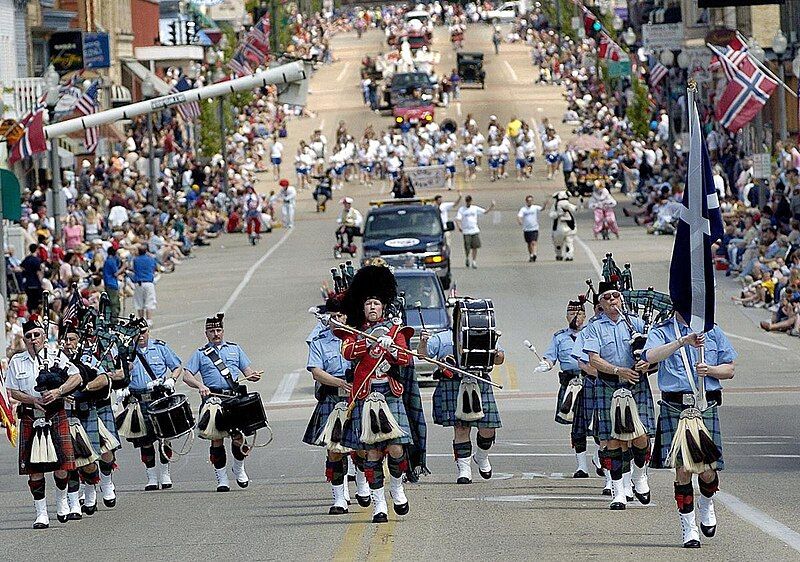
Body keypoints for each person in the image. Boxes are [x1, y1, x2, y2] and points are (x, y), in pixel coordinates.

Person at [642, 314, 736, 548]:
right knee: (683, 470)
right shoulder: (662, 330)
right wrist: (682, 341)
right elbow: (650, 356)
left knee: (706, 471)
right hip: (675, 405)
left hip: (704, 405)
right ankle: (689, 528)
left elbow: (730, 369)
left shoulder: (712, 330)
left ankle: (707, 503)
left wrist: (711, 370)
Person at [337, 265, 415, 523]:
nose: (372, 307)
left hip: (389, 394)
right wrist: (369, 343)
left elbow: (404, 359)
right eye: (368, 303)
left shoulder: (395, 331)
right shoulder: (354, 332)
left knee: (395, 448)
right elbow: (347, 353)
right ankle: (379, 502)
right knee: (371, 454)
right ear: (362, 307)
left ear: (383, 307)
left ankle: (397, 488)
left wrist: (391, 347)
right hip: (365, 395)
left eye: (376, 303)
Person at [582, 280, 655, 510]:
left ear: (621, 298)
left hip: (636, 383)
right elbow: (593, 359)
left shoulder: (637, 323)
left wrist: (646, 363)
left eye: (615, 296)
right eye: (607, 298)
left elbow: (652, 355)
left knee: (641, 436)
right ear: (600, 304)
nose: (612, 300)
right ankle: (618, 491)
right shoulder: (594, 327)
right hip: (609, 384)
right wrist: (617, 370)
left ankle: (639, 476)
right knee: (613, 440)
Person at [7, 318, 82, 528]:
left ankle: (61, 501)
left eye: (37, 335)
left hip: (55, 413)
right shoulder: (16, 361)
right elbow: (12, 391)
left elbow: (76, 377)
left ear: (43, 336)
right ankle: (41, 514)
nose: (33, 340)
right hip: (32, 416)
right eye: (29, 336)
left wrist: (59, 391)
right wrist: (33, 400)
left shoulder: (56, 356)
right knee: (34, 469)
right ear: (24, 339)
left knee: (62, 466)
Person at [303, 296, 369, 515]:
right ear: (327, 319)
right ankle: (339, 498)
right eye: (332, 317)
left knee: (361, 447)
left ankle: (362, 485)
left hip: (357, 397)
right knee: (334, 451)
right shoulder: (319, 342)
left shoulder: (360, 339)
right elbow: (316, 371)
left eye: (340, 315)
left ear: (347, 316)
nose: (337, 320)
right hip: (332, 398)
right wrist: (340, 382)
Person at [183, 313, 262, 491]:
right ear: (206, 333)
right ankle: (222, 478)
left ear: (223, 331)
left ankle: (239, 468)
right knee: (216, 439)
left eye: (218, 330)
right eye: (212, 331)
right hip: (213, 400)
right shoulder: (201, 353)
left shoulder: (235, 349)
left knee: (238, 438)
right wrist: (199, 385)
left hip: (234, 399)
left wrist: (253, 376)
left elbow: (247, 371)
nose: (215, 334)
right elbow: (187, 376)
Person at [419, 322, 504, 484]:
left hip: (479, 381)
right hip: (453, 383)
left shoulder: (485, 335)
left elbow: (499, 359)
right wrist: (423, 341)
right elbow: (423, 355)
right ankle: (464, 470)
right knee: (461, 427)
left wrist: (496, 352)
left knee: (488, 428)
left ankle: (481, 456)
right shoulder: (442, 337)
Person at [121, 325, 182, 491]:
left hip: (159, 397)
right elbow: (117, 372)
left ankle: (165, 473)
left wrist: (172, 380)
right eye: (136, 333)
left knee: (164, 437)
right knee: (145, 441)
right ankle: (152, 476)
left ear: (148, 332)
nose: (140, 336)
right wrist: (121, 386)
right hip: (137, 400)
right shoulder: (126, 352)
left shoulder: (160, 347)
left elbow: (176, 367)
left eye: (143, 332)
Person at [535, 299, 590, 477]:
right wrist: (546, 364)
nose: (576, 317)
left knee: (597, 424)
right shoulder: (559, 337)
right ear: (567, 316)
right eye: (572, 314)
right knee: (577, 425)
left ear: (585, 315)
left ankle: (601, 459)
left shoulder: (592, 333)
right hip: (570, 385)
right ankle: (582, 466)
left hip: (590, 381)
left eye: (579, 313)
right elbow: (551, 357)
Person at [455, 195, 496, 269]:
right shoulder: (462, 209)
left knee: (475, 246)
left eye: (469, 201)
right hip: (466, 231)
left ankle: (474, 261)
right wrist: (459, 227)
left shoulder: (474, 208)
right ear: (466, 201)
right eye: (467, 201)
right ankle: (467, 257)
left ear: (471, 201)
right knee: (467, 247)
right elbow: (458, 219)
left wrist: (491, 206)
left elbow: (485, 212)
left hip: (474, 230)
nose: (468, 203)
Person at [131, 245, 158, 326]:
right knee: (149, 301)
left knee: (139, 302)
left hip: (138, 282)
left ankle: (141, 319)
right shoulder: (151, 259)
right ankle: (149, 319)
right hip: (149, 282)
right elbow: (155, 268)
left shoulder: (136, 260)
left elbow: (134, 269)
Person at [550, 190, 578, 261]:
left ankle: (569, 255)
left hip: (569, 227)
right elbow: (551, 215)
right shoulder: (555, 206)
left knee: (569, 242)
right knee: (558, 243)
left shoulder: (567, 205)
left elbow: (574, 208)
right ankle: (559, 254)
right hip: (558, 228)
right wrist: (558, 214)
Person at [517, 195, 543, 262]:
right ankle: (531, 254)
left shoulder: (535, 207)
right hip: (526, 229)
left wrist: (545, 205)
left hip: (534, 228)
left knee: (533, 242)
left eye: (531, 201)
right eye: (528, 201)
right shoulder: (523, 209)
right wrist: (520, 220)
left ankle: (534, 254)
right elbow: (519, 216)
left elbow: (542, 209)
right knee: (529, 243)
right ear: (526, 201)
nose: (530, 202)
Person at [21, 244, 44, 312]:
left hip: (28, 283)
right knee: (36, 302)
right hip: (35, 283)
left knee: (30, 301)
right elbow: (38, 272)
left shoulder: (27, 259)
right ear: (36, 249)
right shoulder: (37, 260)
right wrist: (41, 282)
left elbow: (22, 267)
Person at [102, 247, 124, 318]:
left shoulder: (109, 260)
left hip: (109, 283)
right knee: (114, 303)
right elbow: (115, 273)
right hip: (111, 284)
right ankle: (114, 319)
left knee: (114, 302)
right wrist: (123, 267)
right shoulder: (110, 261)